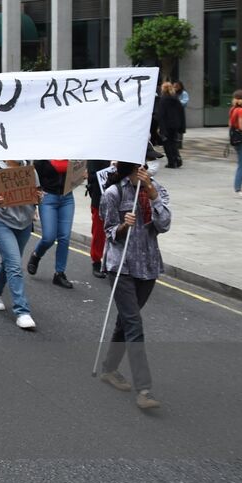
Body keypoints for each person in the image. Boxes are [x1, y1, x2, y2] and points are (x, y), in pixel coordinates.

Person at [97, 158, 170, 411]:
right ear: (132, 167)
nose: (147, 169)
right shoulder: (113, 192)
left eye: (148, 165)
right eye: (143, 164)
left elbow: (164, 225)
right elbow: (107, 231)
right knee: (134, 324)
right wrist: (122, 227)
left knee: (126, 321)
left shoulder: (156, 189)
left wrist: (152, 195)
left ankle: (108, 369)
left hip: (148, 265)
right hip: (121, 267)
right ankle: (144, 389)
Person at [0, 161, 44, 330]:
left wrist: (39, 197)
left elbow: (37, 195)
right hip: (2, 223)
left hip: (24, 225)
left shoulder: (30, 172)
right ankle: (22, 311)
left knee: (9, 262)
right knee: (14, 265)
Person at [29, 160, 76, 289]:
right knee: (49, 237)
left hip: (67, 198)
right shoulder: (42, 158)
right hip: (48, 198)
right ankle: (36, 255)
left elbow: (76, 174)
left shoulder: (72, 156)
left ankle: (59, 273)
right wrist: (33, 206)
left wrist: (81, 175)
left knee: (64, 237)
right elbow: (33, 181)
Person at [86, 159, 111, 278]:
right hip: (99, 199)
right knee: (99, 232)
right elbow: (90, 177)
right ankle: (96, 261)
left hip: (119, 199)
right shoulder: (96, 157)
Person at [153, 82, 186, 169]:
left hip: (166, 125)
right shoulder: (176, 99)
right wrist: (182, 126)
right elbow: (181, 112)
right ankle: (177, 159)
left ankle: (171, 162)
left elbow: (160, 114)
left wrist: (159, 125)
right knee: (173, 142)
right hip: (175, 124)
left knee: (167, 143)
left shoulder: (163, 100)